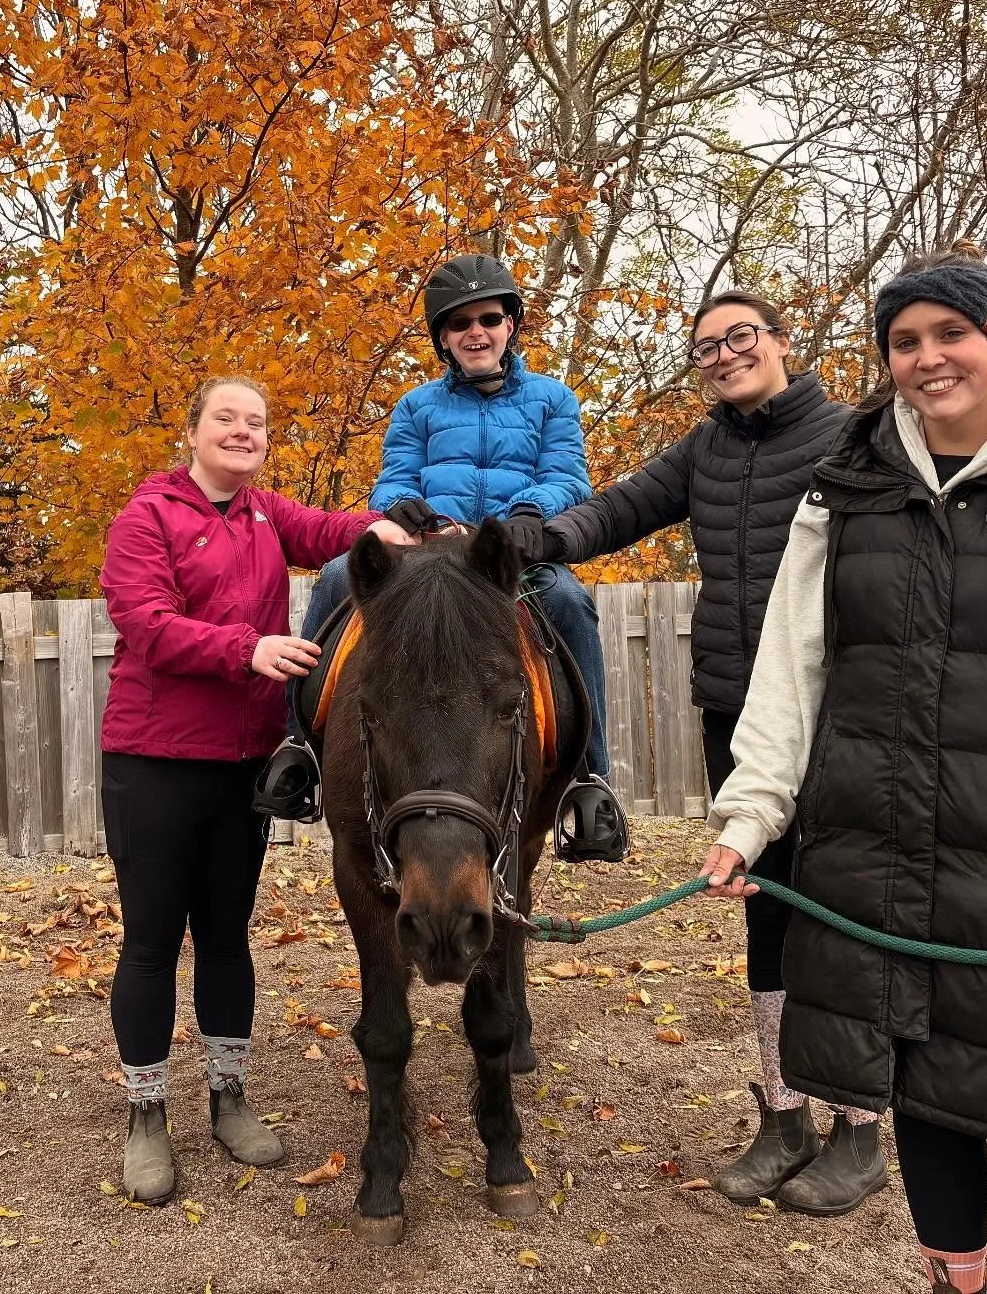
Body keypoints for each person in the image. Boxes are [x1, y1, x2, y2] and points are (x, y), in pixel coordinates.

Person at [700, 244, 987, 1294]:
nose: (928, 359)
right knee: (915, 1083)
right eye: (904, 342)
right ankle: (955, 1281)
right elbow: (791, 668)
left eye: (951, 334)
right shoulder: (843, 490)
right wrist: (749, 813)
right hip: (872, 847)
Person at [513, 289, 887, 1212]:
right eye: (707, 347)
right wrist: (545, 537)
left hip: (840, 714)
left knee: (837, 914)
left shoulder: (851, 439)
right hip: (736, 709)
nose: (724, 356)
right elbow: (623, 509)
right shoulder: (706, 449)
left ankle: (861, 1128)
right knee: (763, 911)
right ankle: (784, 1112)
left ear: (782, 342)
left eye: (740, 338)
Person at [98, 376, 412, 1204]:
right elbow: (146, 624)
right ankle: (145, 1115)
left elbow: (338, 530)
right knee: (152, 942)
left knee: (228, 935)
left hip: (245, 768)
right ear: (193, 432)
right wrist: (249, 650)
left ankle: (228, 1099)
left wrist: (403, 519)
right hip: (155, 762)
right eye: (227, 419)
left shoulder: (267, 514)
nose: (244, 432)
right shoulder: (147, 518)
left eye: (257, 423)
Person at [257, 251, 629, 860]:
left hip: (511, 553)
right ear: (442, 339)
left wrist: (527, 516)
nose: (475, 333)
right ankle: (297, 746)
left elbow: (568, 475)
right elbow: (393, 479)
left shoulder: (552, 399)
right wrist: (404, 507)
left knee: (568, 601)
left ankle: (590, 780)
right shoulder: (417, 407)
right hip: (430, 550)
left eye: (488, 318)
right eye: (459, 324)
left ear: (510, 323)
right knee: (330, 579)